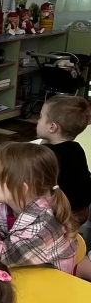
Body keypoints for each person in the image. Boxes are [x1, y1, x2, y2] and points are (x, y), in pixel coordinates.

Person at [0, 142, 78, 273]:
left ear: (20, 188)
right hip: (19, 271)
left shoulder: (41, 228)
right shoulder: (3, 204)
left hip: (48, 282)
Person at [35, 96, 91, 229]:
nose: (38, 120)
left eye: (41, 117)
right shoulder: (76, 147)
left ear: (52, 127)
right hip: (83, 209)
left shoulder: (47, 154)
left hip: (64, 214)